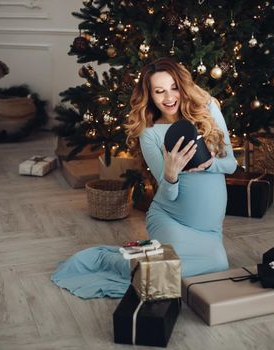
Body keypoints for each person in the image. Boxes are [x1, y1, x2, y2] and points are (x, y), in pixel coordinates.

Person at [51, 57, 237, 299]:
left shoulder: (208, 108)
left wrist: (211, 164)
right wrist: (170, 175)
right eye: (159, 91)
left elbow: (231, 164)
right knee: (166, 275)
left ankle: (143, 262)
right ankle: (111, 261)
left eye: (174, 88)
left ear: (183, 86)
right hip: (172, 220)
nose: (169, 98)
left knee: (218, 265)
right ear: (149, 95)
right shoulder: (148, 134)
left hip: (210, 229)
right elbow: (168, 194)